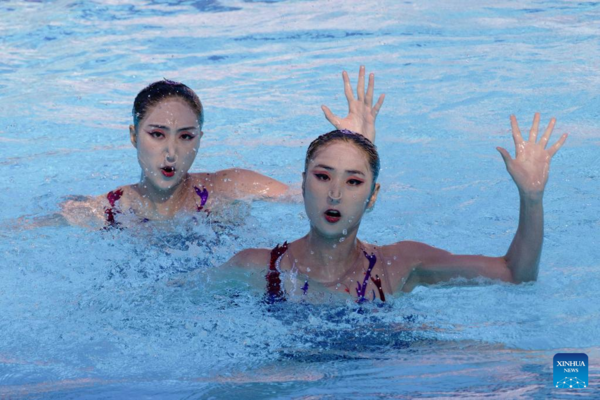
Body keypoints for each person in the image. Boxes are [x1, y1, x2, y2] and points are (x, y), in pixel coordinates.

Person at [223, 109, 568, 302]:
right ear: (302, 183)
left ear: (372, 197)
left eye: (354, 182)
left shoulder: (398, 265)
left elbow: (516, 275)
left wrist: (532, 199)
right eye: (323, 177)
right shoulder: (255, 268)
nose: (336, 195)